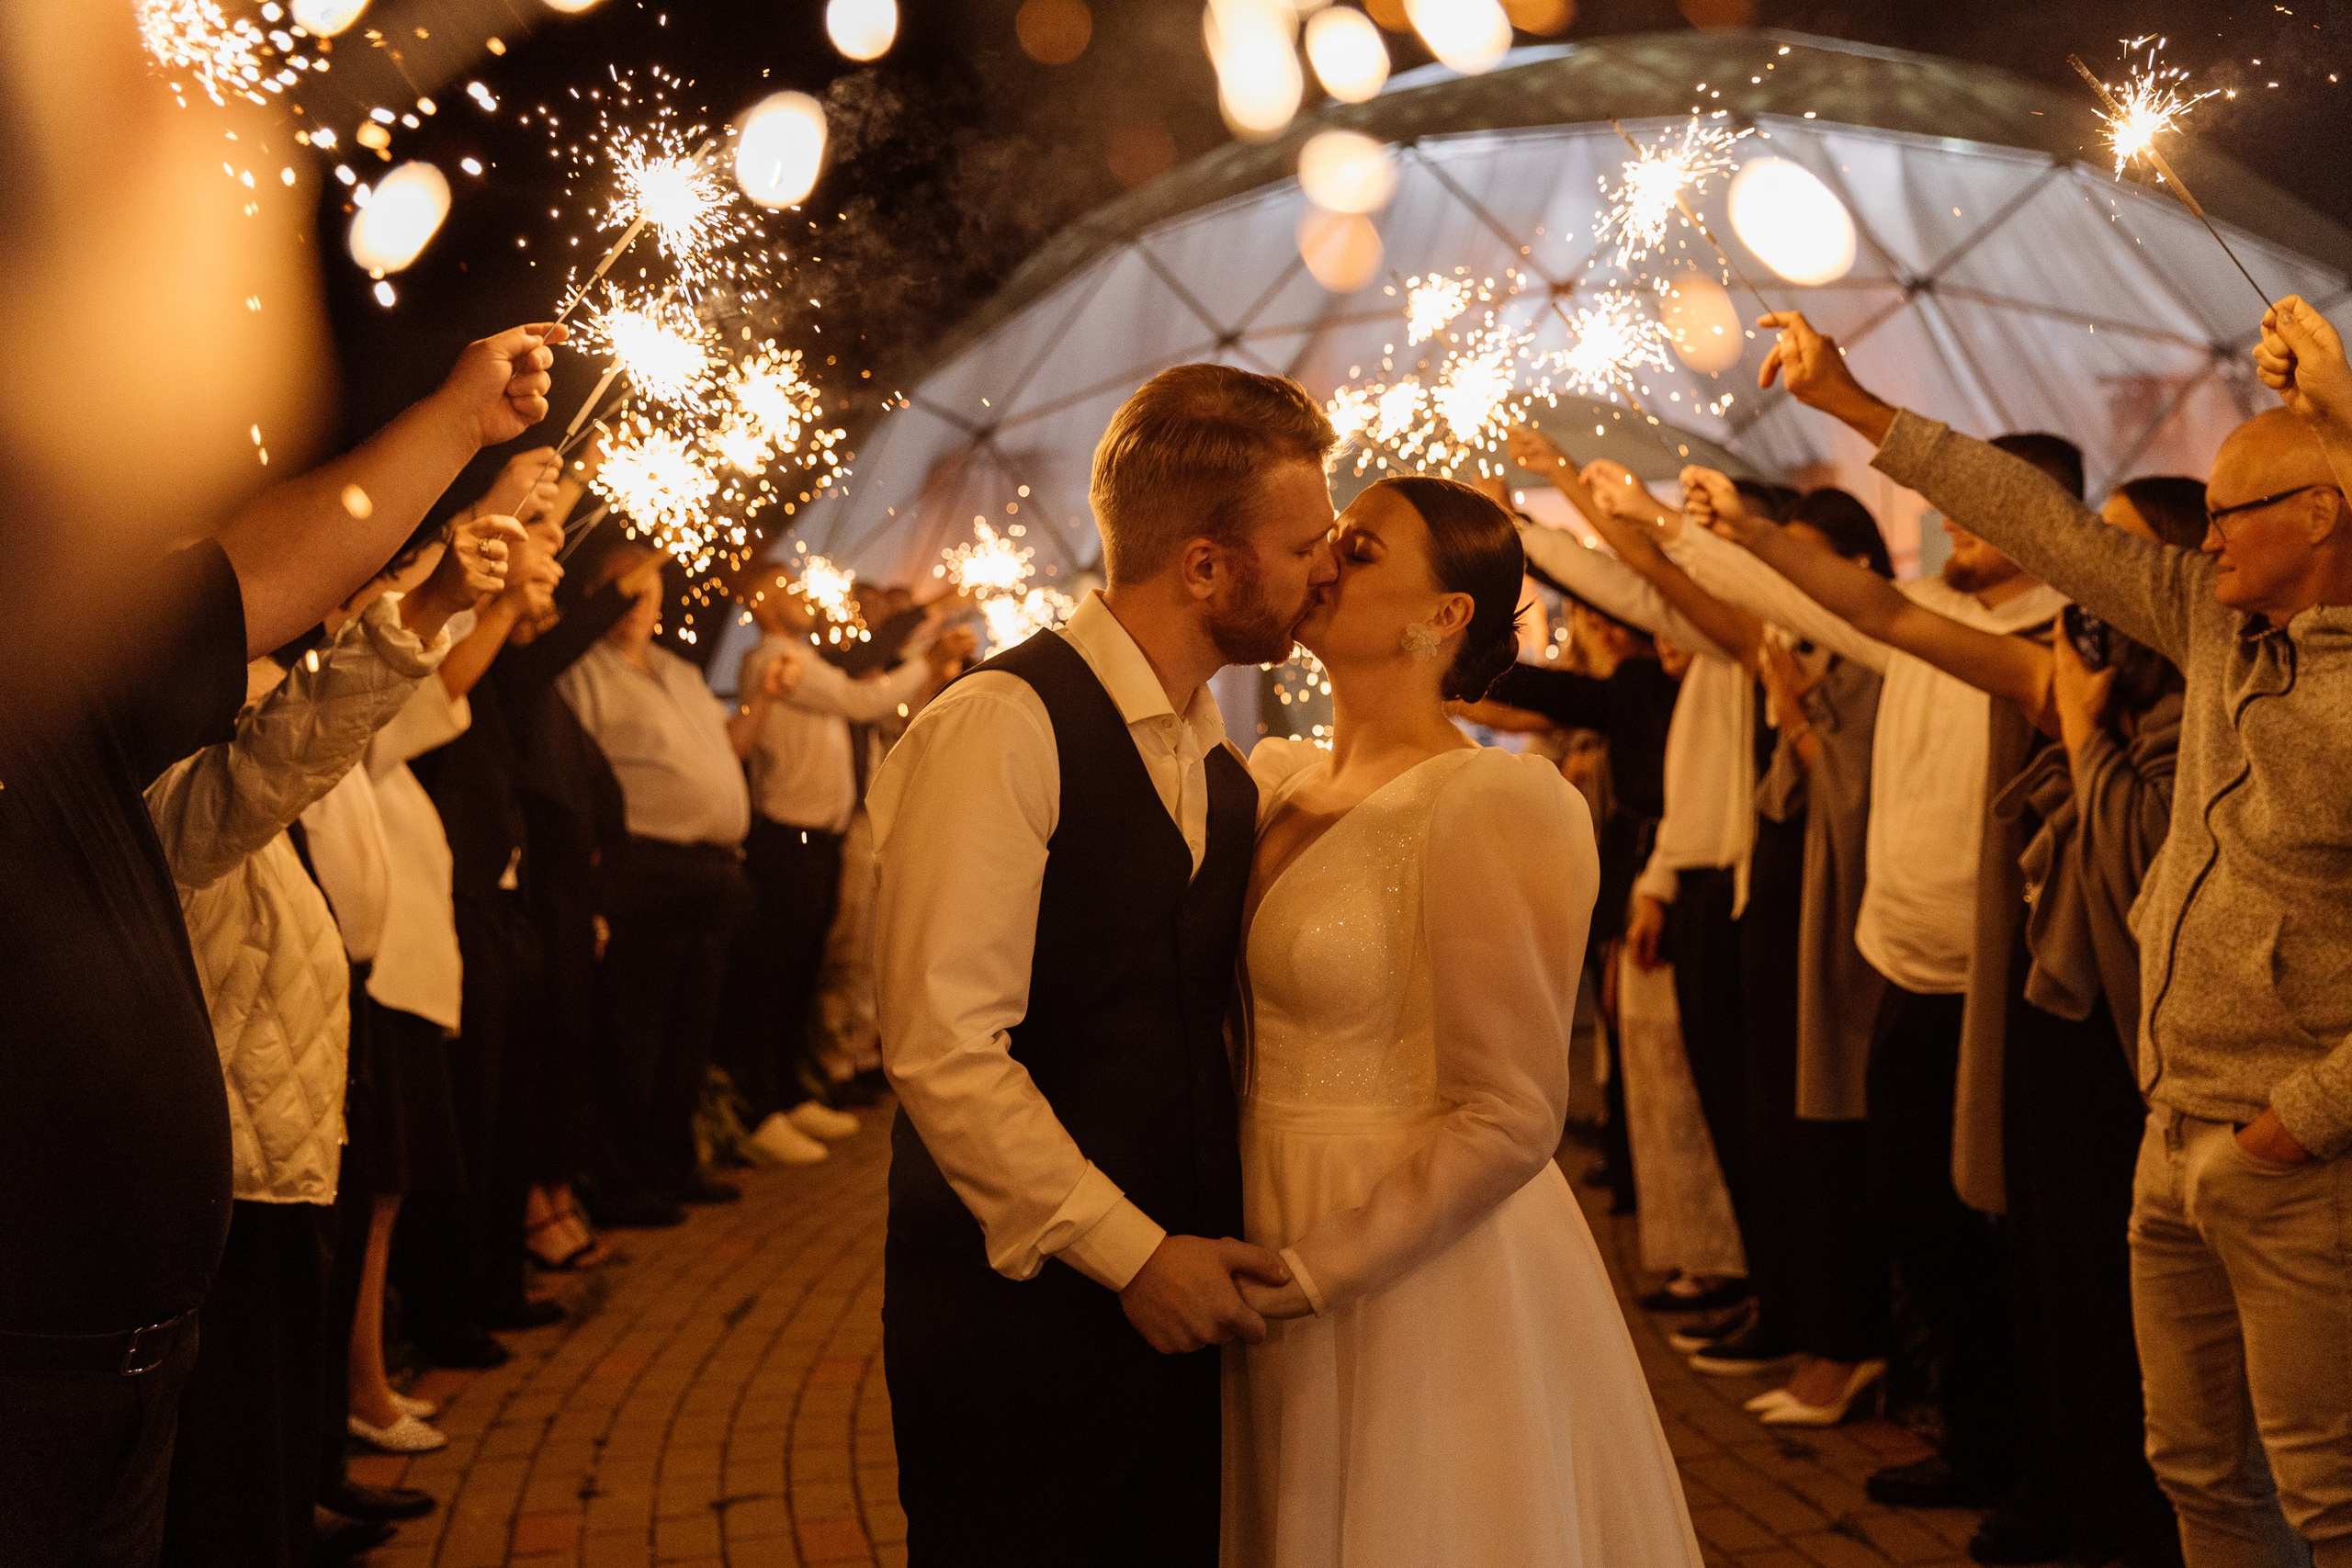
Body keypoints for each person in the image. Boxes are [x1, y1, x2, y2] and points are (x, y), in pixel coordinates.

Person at [1762, 299, 2352, 1568]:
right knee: (2195, 1464)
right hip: (2176, 1121)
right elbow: (2047, 526)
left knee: (2332, 1488)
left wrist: (2298, 1118)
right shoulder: (2217, 627)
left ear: (2322, 514)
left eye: (2236, 511)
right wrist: (1855, 403)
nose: (2212, 539)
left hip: (2295, 1155)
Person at [0, 296, 560, 1565]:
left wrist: (425, 582)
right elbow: (269, 595)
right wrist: (457, 441)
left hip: (147, 1307)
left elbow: (266, 767)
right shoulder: (82, 682)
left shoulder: (82, 711)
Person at [869, 363, 1332, 1562]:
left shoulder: (1220, 762)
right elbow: (942, 1045)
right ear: (1206, 564)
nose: (1321, 569)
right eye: (1304, 543)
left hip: (1175, 1316)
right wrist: (1130, 1252)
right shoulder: (1003, 725)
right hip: (1014, 1326)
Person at [1223, 475, 1701, 1568]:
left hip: (1405, 1267)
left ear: (1446, 617)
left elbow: (1511, 1115)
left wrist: (1314, 1271)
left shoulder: (1489, 804)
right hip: (1259, 1208)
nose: (1324, 562)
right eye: (1330, 540)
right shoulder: (1274, 782)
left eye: (1361, 548)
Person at [146, 514, 513, 1568]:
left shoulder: (249, 721)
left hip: (284, 1119)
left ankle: (305, 1482)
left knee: (263, 1406)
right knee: (226, 1443)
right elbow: (265, 775)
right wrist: (430, 606)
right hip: (232, 1141)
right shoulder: (179, 761)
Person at [724, 568, 974, 1165]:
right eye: (785, 586)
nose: (802, 595)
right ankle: (760, 1108)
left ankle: (787, 1092)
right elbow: (862, 698)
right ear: (759, 601)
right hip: (785, 838)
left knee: (802, 973)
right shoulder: (774, 660)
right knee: (774, 977)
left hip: (817, 841)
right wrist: (929, 655)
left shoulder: (806, 662)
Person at [557, 544, 775, 1225]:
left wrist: (764, 700)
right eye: (622, 591)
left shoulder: (681, 671)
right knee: (637, 1028)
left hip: (712, 870)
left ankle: (670, 1163)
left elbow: (729, 747)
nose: (636, 605)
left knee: (691, 1025)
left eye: (647, 592)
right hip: (644, 869)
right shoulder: (580, 672)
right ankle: (622, 1179)